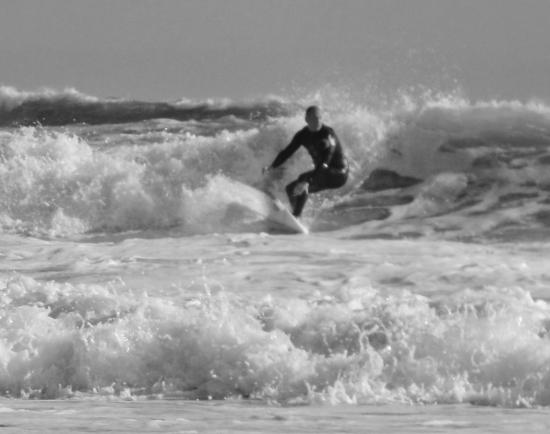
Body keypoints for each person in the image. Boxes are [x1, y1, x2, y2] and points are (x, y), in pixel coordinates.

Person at [263, 105, 349, 217]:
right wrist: (272, 166)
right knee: (290, 189)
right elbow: (287, 152)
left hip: (338, 173)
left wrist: (309, 180)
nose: (316, 121)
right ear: (306, 119)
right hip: (322, 172)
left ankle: (297, 215)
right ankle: (295, 216)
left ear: (321, 118)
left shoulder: (328, 135)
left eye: (319, 118)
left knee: (303, 179)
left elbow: (326, 162)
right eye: (313, 118)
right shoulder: (303, 135)